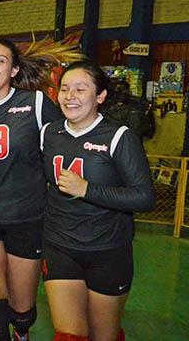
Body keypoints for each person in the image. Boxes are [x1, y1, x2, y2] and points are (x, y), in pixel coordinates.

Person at [0, 39, 74, 341]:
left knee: (22, 311)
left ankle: (22, 331)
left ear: (14, 70)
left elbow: (67, 143)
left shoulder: (35, 104)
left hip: (26, 217)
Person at [41, 61, 155, 341]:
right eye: (65, 89)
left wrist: (87, 189)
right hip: (59, 245)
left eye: (81, 89)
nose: (70, 96)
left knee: (104, 335)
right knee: (69, 334)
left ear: (100, 96)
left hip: (108, 250)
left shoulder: (118, 137)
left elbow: (144, 196)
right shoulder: (49, 133)